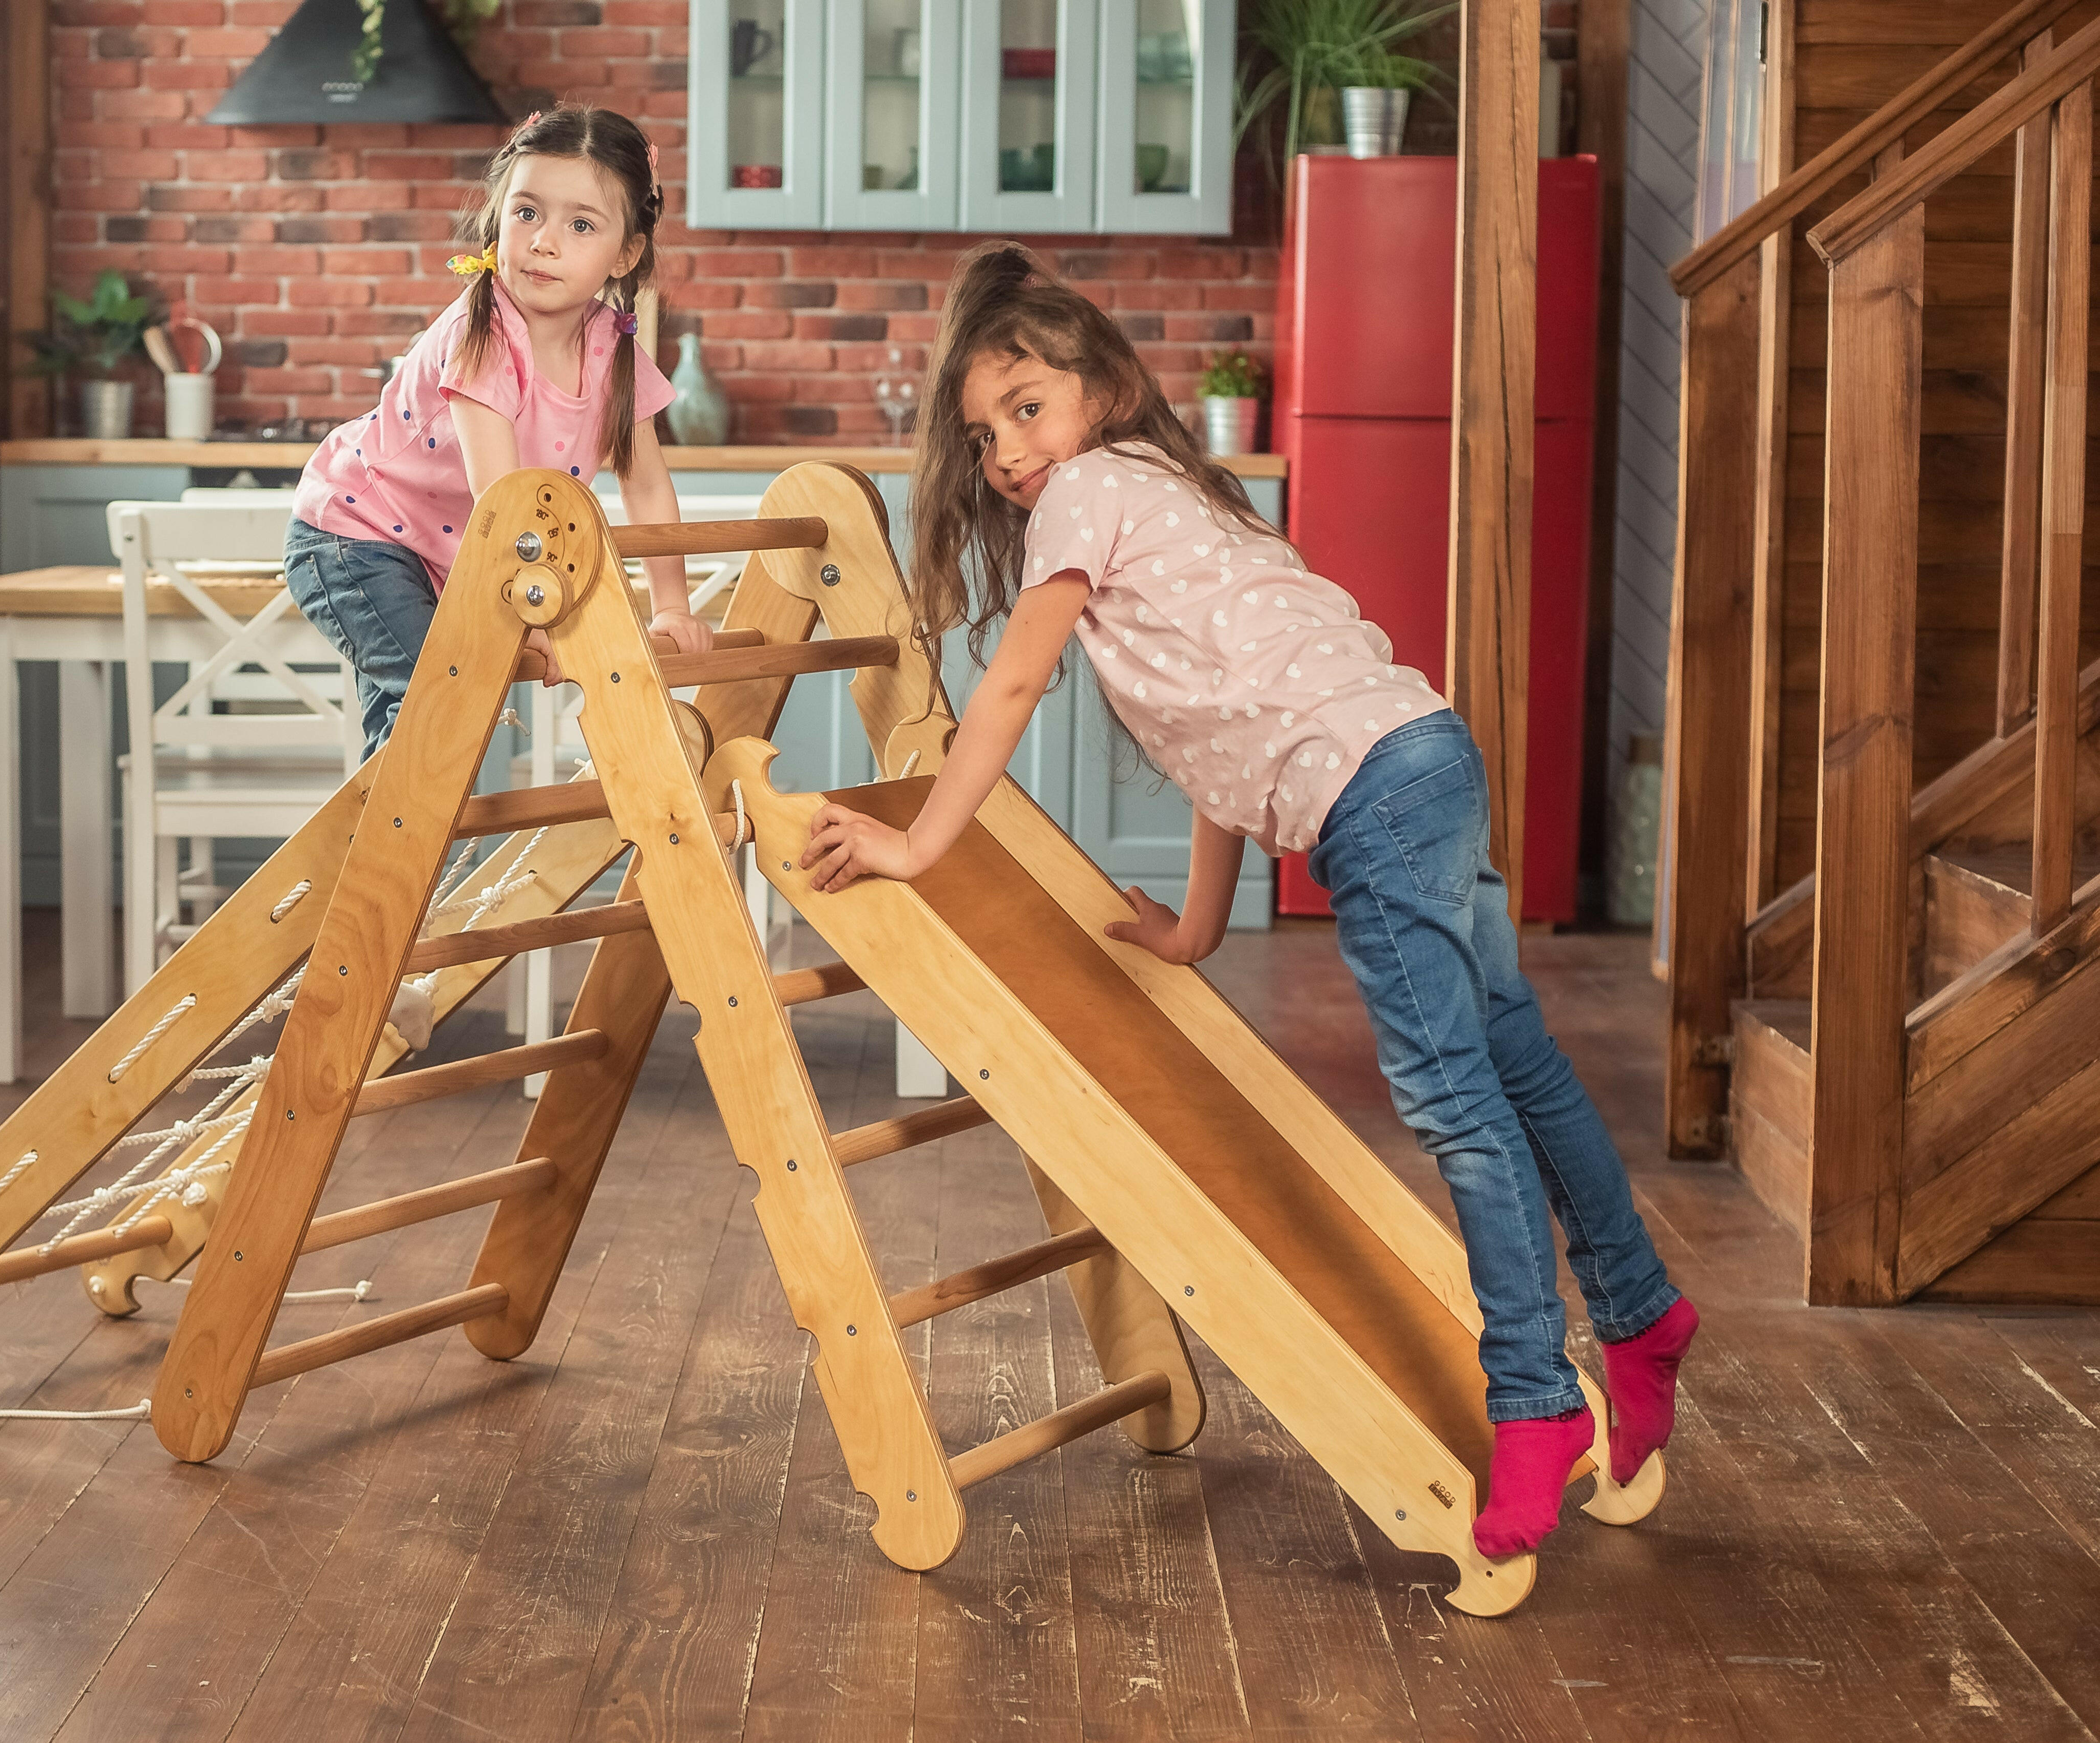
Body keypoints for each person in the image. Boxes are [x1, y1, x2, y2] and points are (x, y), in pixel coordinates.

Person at [801, 240, 1699, 1560]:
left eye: (1025, 407)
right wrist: (1198, 926)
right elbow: (1221, 742)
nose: (1004, 452)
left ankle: (1533, 1402)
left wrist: (919, 847)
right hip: (1424, 756)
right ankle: (1639, 1312)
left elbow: (1007, 690)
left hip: (1372, 804)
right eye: (984, 434)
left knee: (1452, 1099)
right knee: (1510, 1058)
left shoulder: (1084, 500)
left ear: (1101, 386)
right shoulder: (1177, 489)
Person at [286, 105, 710, 753]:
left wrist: (672, 605)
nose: (544, 240)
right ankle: (390, 852)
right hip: (358, 537)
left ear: (627, 253)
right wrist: (533, 608)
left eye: (581, 224)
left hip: (450, 556)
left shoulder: (615, 350)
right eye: (527, 212)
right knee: (439, 702)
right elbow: (501, 498)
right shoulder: (482, 335)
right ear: (498, 218)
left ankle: (370, 849)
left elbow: (647, 484)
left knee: (418, 730)